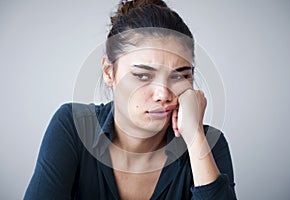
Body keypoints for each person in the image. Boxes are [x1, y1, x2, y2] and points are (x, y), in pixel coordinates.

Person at [24, 0, 237, 199]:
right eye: (143, 76)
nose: (163, 94)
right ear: (109, 73)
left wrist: (195, 138)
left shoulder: (208, 143)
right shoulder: (73, 125)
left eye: (179, 75)